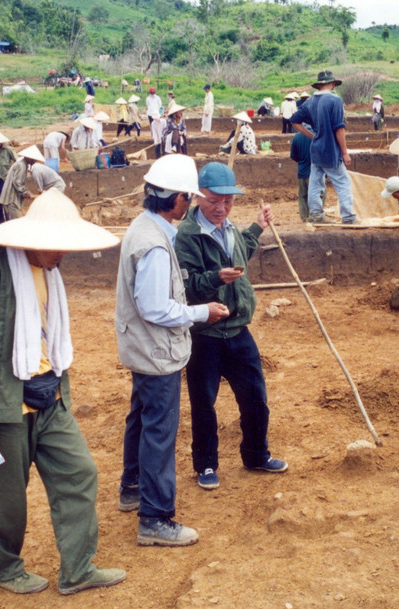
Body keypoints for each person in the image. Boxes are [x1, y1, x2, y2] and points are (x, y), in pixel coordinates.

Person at [0, 188, 125, 596]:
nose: (62, 255)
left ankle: (78, 568)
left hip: (51, 398)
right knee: (7, 496)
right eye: (56, 246)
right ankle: (6, 568)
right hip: (6, 409)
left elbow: (52, 338)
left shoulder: (50, 272)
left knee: (79, 472)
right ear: (32, 238)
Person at [115, 155, 229, 545]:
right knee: (159, 432)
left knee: (141, 419)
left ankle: (132, 487)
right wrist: (202, 312)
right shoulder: (156, 245)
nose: (191, 204)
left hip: (141, 348)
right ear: (177, 198)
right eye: (189, 197)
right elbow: (154, 307)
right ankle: (156, 517)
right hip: (156, 351)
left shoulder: (144, 227)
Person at [174, 162, 289, 490]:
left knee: (255, 397)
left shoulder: (229, 228)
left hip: (238, 329)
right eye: (214, 202)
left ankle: (256, 455)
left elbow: (241, 252)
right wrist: (215, 278)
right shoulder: (187, 235)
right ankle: (206, 465)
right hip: (205, 334)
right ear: (199, 198)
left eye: (228, 201)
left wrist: (257, 228)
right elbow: (188, 286)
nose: (221, 208)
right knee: (203, 402)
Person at [290, 70, 359, 225]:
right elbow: (339, 129)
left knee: (315, 183)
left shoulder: (309, 101)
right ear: (333, 84)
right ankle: (348, 217)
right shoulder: (335, 100)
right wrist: (345, 152)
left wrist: (312, 136)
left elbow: (294, 121)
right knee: (343, 183)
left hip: (316, 150)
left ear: (319, 85)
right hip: (330, 150)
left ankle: (316, 215)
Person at [290, 123, 325, 221]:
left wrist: (301, 161)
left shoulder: (296, 137)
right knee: (319, 193)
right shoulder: (316, 136)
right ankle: (316, 215)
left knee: (303, 195)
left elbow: (293, 155)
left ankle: (304, 216)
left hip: (301, 172)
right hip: (316, 172)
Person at [0, 146, 44, 221]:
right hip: (11, 199)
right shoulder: (22, 165)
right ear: (29, 158)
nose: (35, 161)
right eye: (34, 160)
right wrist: (27, 193)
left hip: (12, 198)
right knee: (16, 222)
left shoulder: (22, 164)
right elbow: (17, 182)